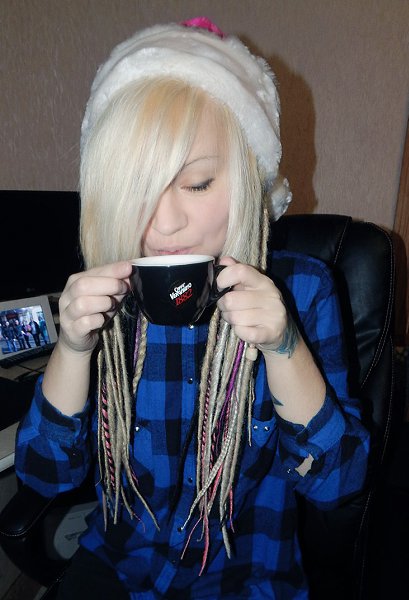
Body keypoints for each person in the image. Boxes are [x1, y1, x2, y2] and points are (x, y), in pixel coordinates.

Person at [15, 18, 369, 599]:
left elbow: (339, 483)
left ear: (250, 178)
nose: (165, 222)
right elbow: (44, 476)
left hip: (246, 579)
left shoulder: (304, 290)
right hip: (121, 566)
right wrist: (73, 349)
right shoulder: (107, 296)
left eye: (198, 183)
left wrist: (284, 347)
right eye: (139, 187)